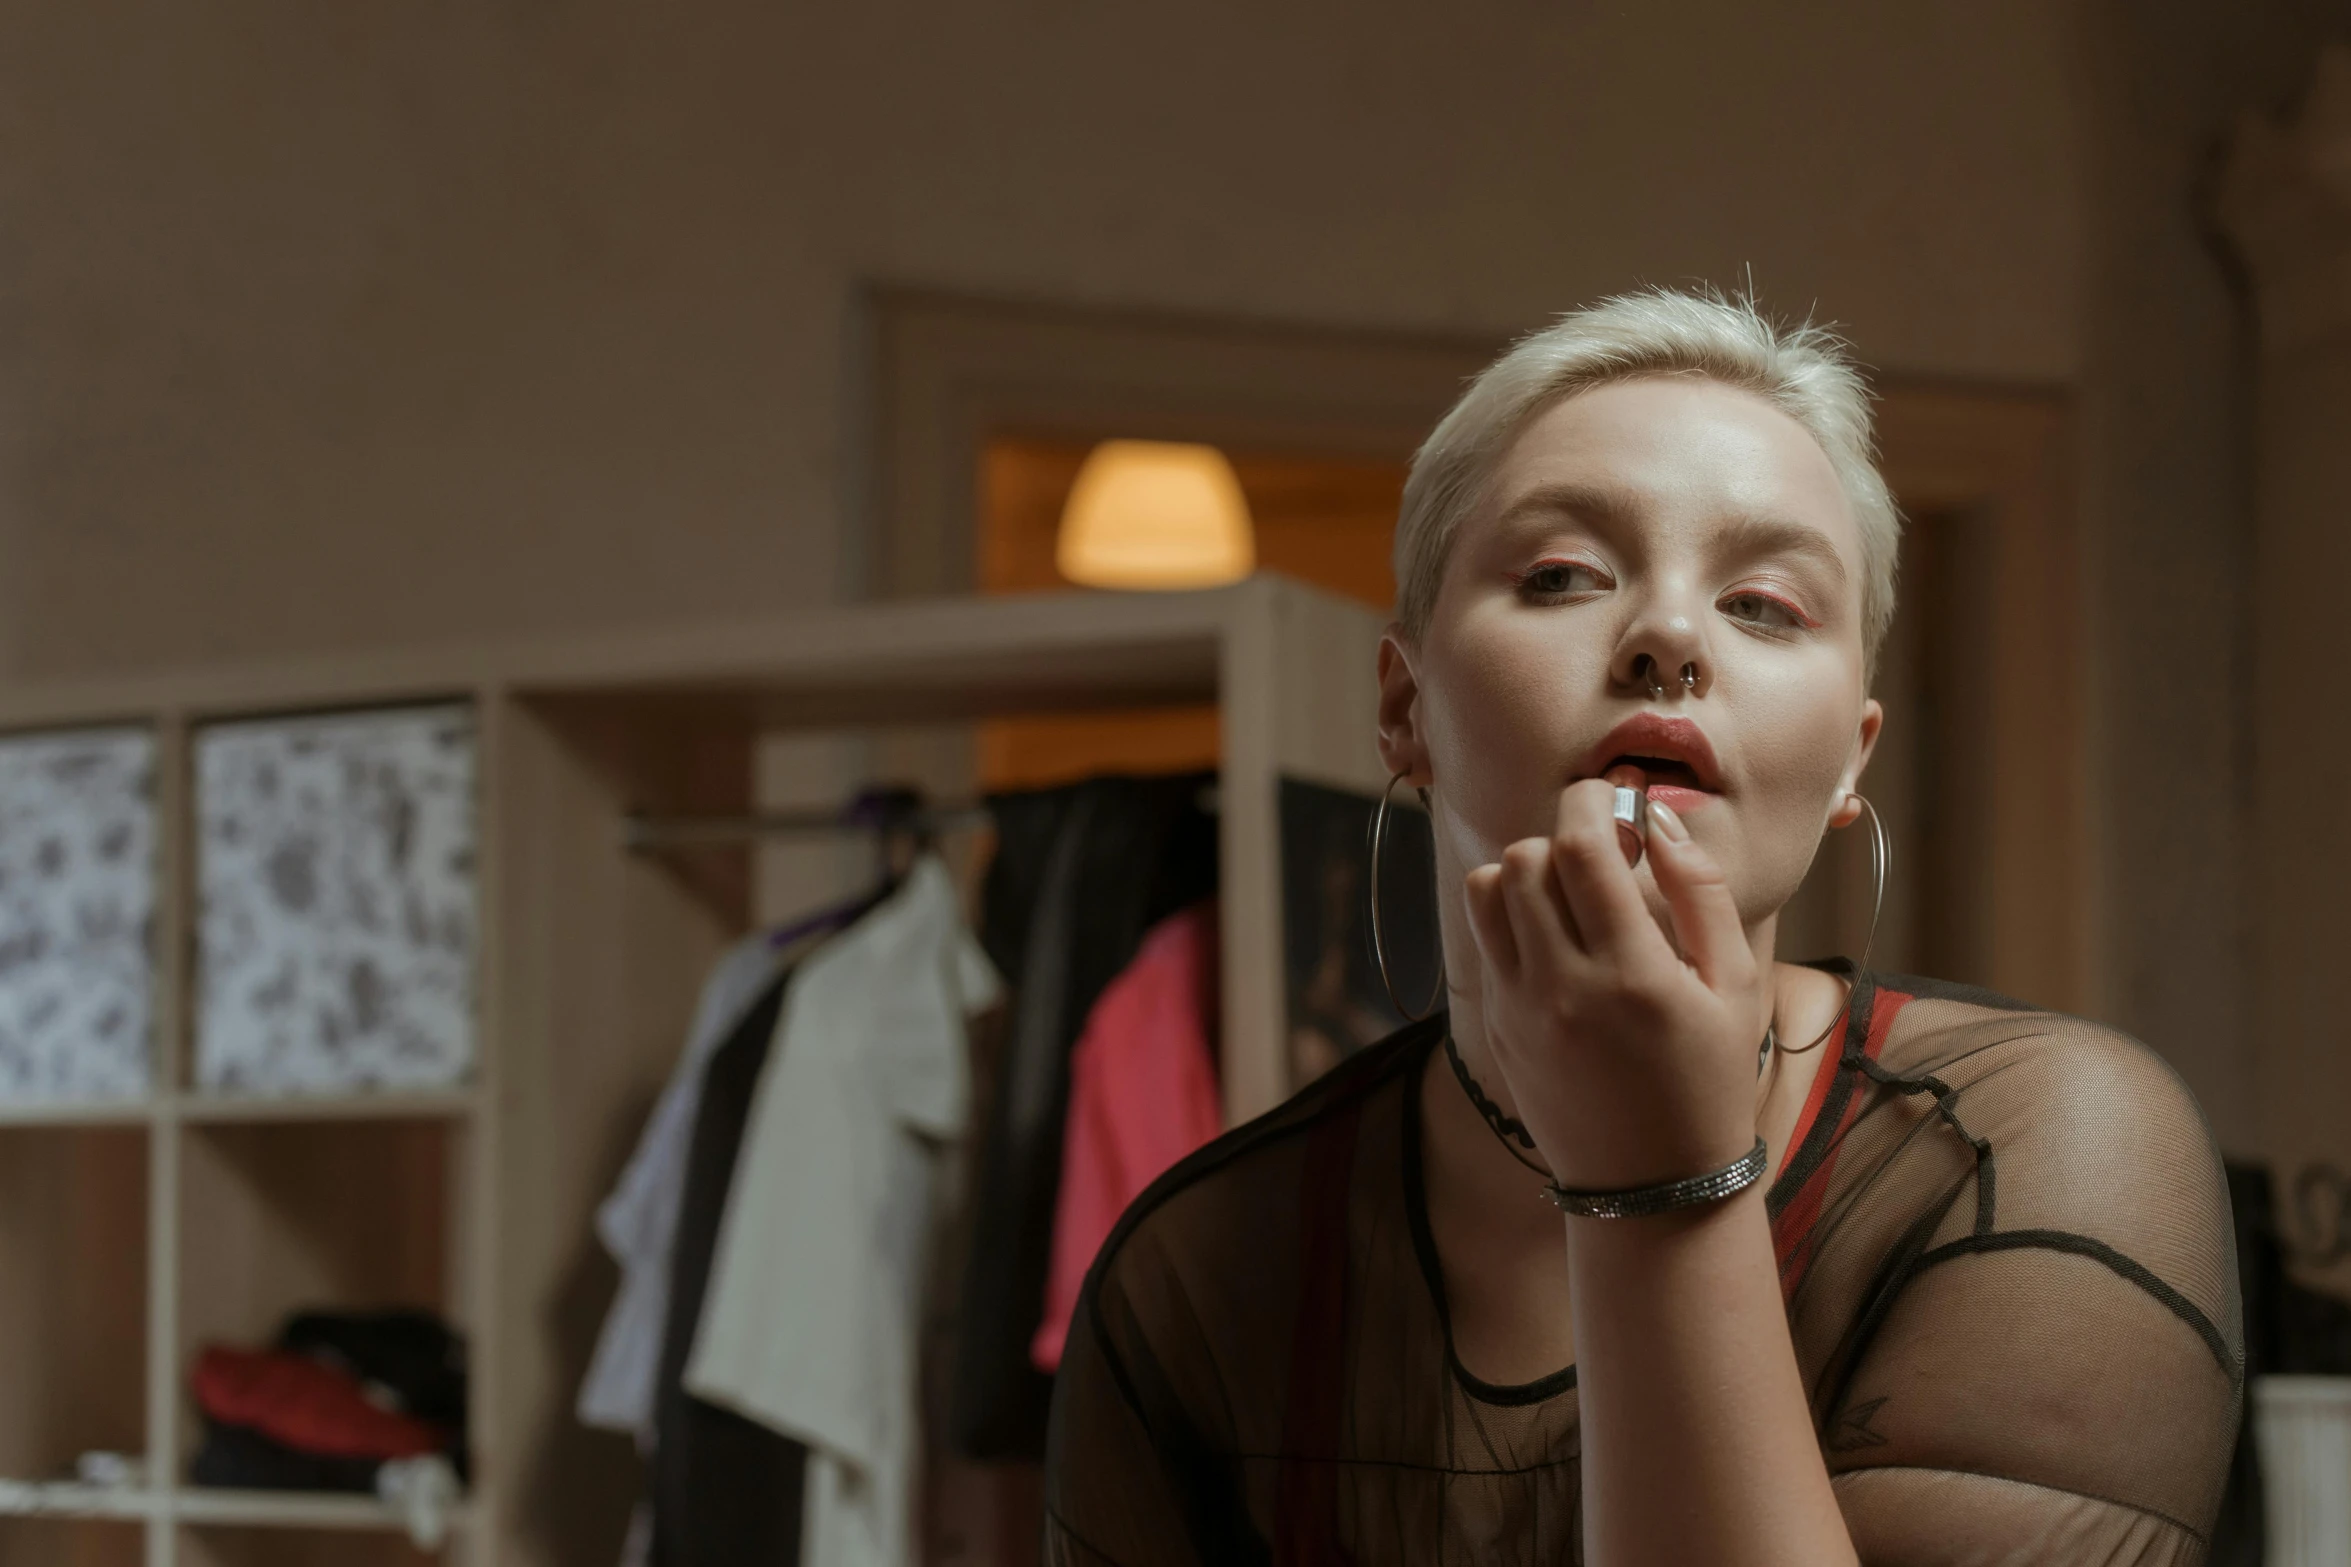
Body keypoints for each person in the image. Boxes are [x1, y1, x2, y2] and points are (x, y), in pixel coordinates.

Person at [1040, 289, 2241, 1565]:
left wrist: (1656, 1183)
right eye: (1560, 574)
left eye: (1766, 604)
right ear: (1403, 707)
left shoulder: (2041, 1156)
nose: (1668, 635)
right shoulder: (1197, 1267)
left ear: (1850, 758)